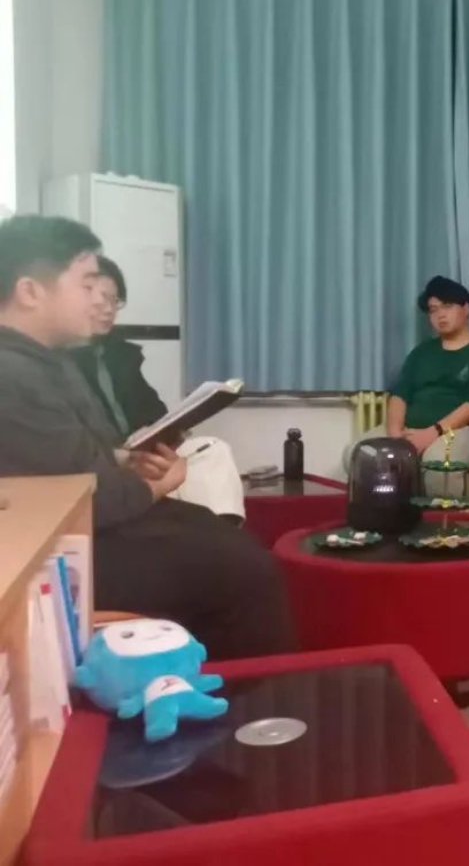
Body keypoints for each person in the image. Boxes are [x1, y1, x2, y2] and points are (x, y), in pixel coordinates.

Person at [0, 215, 294, 660]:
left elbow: (81, 453)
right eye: (87, 285)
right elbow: (86, 500)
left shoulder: (50, 362)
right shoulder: (12, 376)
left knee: (214, 531)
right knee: (240, 568)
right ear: (30, 292)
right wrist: (159, 483)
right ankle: (244, 692)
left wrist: (127, 461)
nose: (97, 301)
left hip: (93, 527)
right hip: (60, 553)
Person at [69, 256, 246, 521]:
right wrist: (123, 453)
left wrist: (170, 432)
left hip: (140, 448)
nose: (109, 309)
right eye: (102, 298)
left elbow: (154, 411)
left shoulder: (121, 356)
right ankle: (213, 535)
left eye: (115, 301)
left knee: (212, 449)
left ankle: (224, 528)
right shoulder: (56, 362)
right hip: (107, 458)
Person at [378, 276, 469, 495]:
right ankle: (384, 515)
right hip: (408, 430)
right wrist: (395, 436)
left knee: (439, 464)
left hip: (460, 432)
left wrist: (433, 432)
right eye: (433, 309)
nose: (440, 314)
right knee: (361, 453)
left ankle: (442, 518)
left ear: (466, 308)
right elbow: (399, 395)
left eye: (447, 306)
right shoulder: (421, 352)